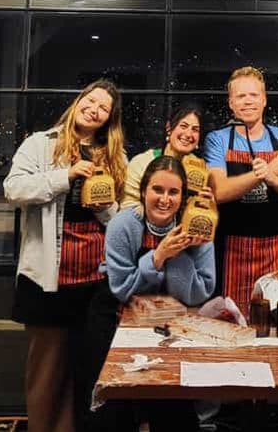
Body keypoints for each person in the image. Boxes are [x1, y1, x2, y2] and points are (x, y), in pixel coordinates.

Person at [3, 79, 127, 432]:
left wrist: (106, 209)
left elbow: (119, 223)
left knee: (84, 371)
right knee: (47, 370)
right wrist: (66, 176)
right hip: (47, 277)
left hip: (94, 280)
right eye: (91, 101)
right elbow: (13, 189)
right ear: (78, 102)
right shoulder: (42, 144)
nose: (95, 109)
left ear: (108, 119)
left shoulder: (114, 156)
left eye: (103, 108)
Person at [88, 156, 215, 432]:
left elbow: (200, 293)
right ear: (144, 190)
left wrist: (178, 256)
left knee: (173, 410)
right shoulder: (123, 224)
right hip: (115, 319)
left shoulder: (198, 225)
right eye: (157, 190)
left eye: (173, 192)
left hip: (169, 325)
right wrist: (158, 257)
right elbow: (122, 289)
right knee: (114, 409)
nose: (165, 199)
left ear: (183, 196)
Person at [203, 66, 278, 315]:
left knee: (271, 318)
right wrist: (265, 171)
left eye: (253, 95)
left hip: (275, 247)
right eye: (240, 96)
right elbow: (221, 192)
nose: (247, 101)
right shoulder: (217, 139)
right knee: (229, 319)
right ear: (231, 103)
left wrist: (274, 179)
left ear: (264, 99)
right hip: (229, 249)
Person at [122, 103, 210, 209]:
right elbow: (128, 207)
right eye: (183, 126)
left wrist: (204, 206)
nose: (188, 134)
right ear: (169, 128)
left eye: (195, 130)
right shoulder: (141, 163)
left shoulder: (200, 170)